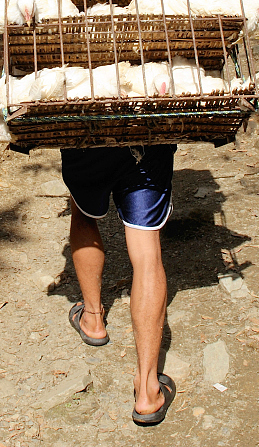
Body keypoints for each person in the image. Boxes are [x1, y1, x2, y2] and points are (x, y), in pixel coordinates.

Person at [61, 144, 178, 426]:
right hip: (148, 140)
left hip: (85, 139)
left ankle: (92, 318)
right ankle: (148, 391)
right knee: (147, 250)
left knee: (83, 212)